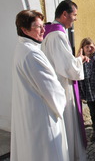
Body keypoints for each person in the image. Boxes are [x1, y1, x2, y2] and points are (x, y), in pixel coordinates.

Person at [11, 10, 69, 161]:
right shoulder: (32, 54)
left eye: (43, 26)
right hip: (43, 118)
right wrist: (63, 98)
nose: (44, 30)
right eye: (38, 27)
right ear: (24, 30)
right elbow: (52, 91)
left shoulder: (21, 48)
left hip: (31, 113)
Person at [41, 0, 88, 161]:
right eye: (74, 15)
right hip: (62, 86)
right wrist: (80, 59)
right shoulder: (57, 35)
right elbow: (68, 68)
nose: (75, 18)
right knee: (67, 123)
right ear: (64, 14)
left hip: (56, 83)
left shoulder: (49, 32)